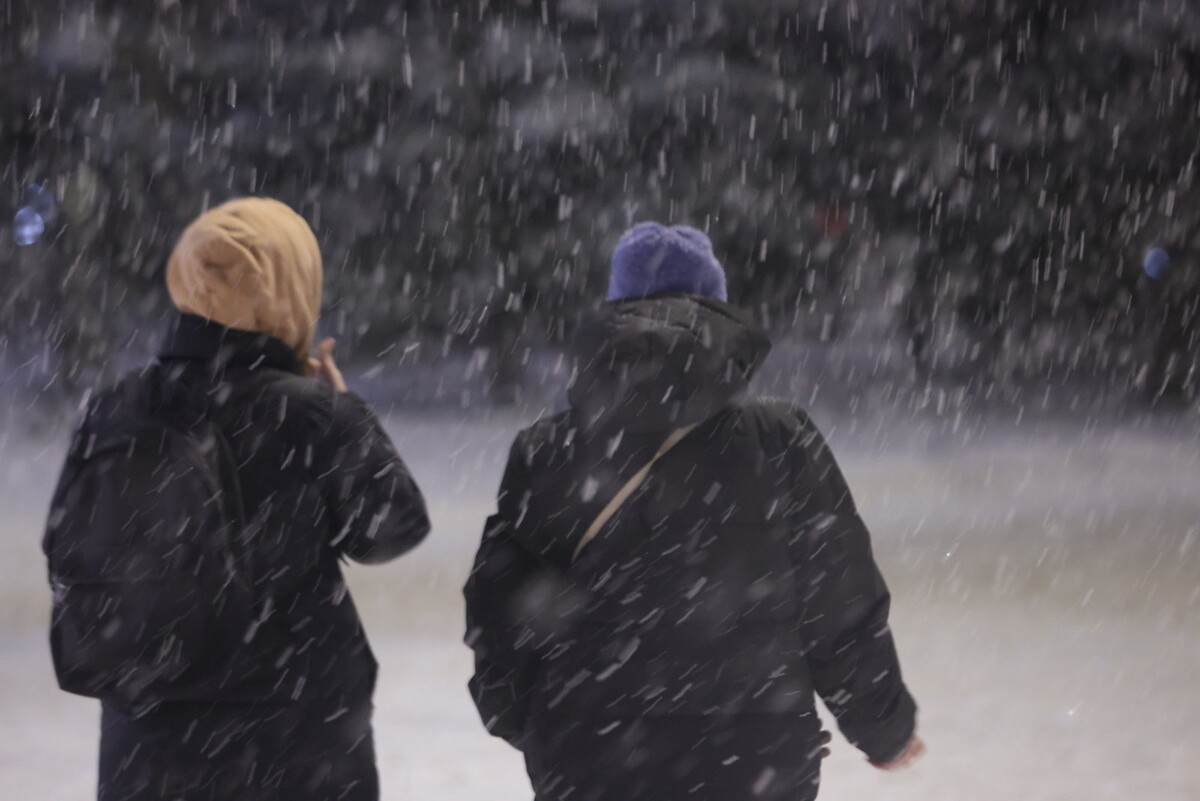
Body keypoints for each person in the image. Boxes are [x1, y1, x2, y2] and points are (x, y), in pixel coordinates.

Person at [464, 222, 923, 801]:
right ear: (719, 313)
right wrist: (883, 727)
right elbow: (838, 599)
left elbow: (499, 611)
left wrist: (534, 723)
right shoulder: (780, 439)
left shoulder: (546, 451)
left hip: (591, 757)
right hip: (753, 762)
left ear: (614, 314)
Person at [44, 197, 430, 801]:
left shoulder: (115, 408)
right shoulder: (310, 413)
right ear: (290, 290)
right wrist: (344, 408)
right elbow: (394, 529)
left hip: (146, 745)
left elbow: (65, 546)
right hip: (292, 744)